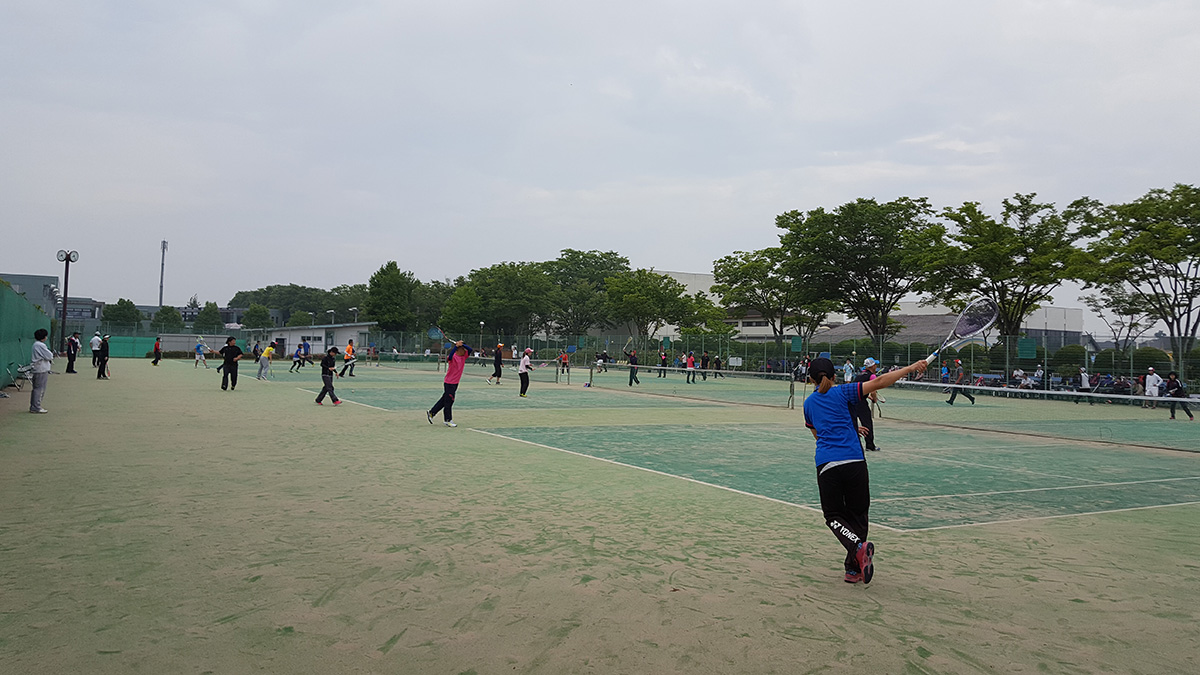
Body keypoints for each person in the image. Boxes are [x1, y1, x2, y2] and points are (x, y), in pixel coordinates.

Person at [804, 356, 927, 585]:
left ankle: (857, 552)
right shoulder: (844, 392)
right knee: (858, 515)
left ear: (810, 379)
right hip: (855, 463)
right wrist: (911, 367)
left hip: (827, 464)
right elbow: (880, 381)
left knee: (833, 517)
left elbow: (819, 435)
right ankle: (853, 566)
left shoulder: (808, 404)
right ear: (834, 376)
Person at [426, 340, 471, 423]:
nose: (465, 351)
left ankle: (432, 413)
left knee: (444, 400)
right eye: (463, 349)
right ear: (458, 349)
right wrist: (456, 346)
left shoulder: (464, 356)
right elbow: (449, 356)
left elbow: (470, 349)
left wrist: (462, 345)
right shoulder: (453, 357)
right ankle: (448, 420)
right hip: (449, 383)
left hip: (455, 383)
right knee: (449, 401)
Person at [853, 358, 881, 451]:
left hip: (851, 402)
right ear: (872, 366)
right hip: (861, 403)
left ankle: (852, 445)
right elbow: (873, 390)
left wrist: (867, 396)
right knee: (867, 424)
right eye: (875, 365)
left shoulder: (859, 375)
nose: (876, 367)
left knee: (851, 424)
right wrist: (874, 399)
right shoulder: (872, 376)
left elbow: (856, 388)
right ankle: (870, 446)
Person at [29, 328, 54, 413]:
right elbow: (49, 356)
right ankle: (36, 407)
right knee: (39, 389)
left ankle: (34, 406)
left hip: (38, 369)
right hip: (41, 369)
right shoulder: (40, 345)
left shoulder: (36, 344)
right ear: (43, 337)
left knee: (36, 388)